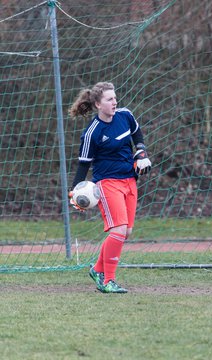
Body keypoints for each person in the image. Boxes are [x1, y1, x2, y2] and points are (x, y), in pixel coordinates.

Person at [68, 82, 151, 293]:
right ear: (97, 104)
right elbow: (83, 165)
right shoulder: (92, 133)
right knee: (118, 230)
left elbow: (137, 135)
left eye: (115, 98)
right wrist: (74, 192)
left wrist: (141, 153)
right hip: (107, 183)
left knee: (126, 232)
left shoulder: (125, 116)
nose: (114, 102)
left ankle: (97, 269)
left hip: (129, 180)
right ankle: (107, 281)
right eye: (109, 99)